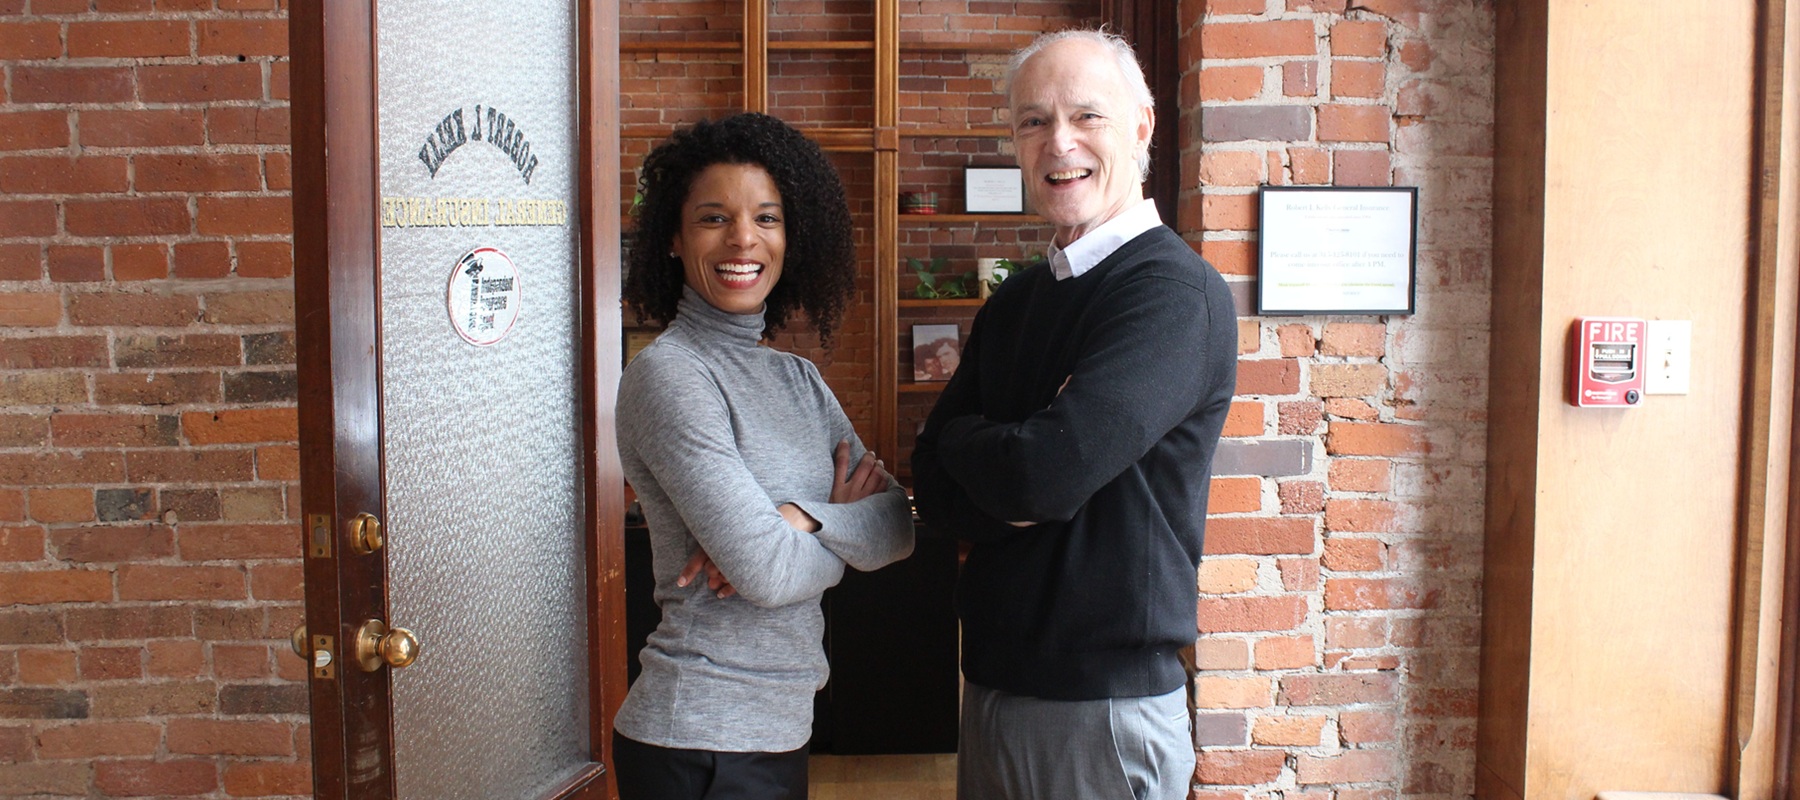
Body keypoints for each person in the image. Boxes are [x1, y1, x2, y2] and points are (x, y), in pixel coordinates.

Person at [911, 30, 1237, 800]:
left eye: (1087, 115)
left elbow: (1042, 478)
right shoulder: (1019, 299)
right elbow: (932, 470)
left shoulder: (1171, 295)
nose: (1059, 142)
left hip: (1103, 712)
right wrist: (995, 453)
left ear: (1143, 126)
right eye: (1032, 121)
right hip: (991, 692)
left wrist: (994, 454)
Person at [613, 112, 915, 800]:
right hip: (697, 740)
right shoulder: (671, 375)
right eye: (714, 218)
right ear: (673, 237)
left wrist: (801, 516)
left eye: (767, 219)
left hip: (776, 730)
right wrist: (827, 529)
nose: (743, 239)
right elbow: (769, 575)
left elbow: (897, 523)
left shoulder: (797, 379)